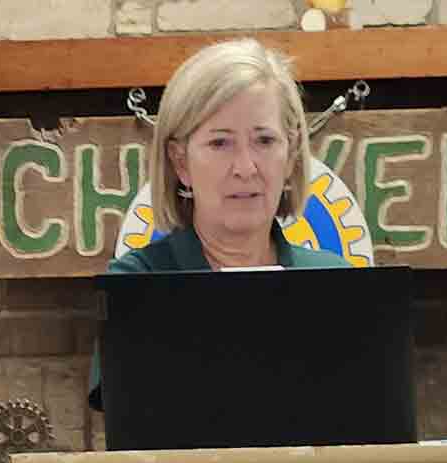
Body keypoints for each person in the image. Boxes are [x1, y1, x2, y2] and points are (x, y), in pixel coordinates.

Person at [88, 38, 348, 410]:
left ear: (290, 154)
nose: (245, 167)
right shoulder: (134, 285)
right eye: (220, 143)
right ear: (180, 162)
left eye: (264, 140)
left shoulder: (337, 284)